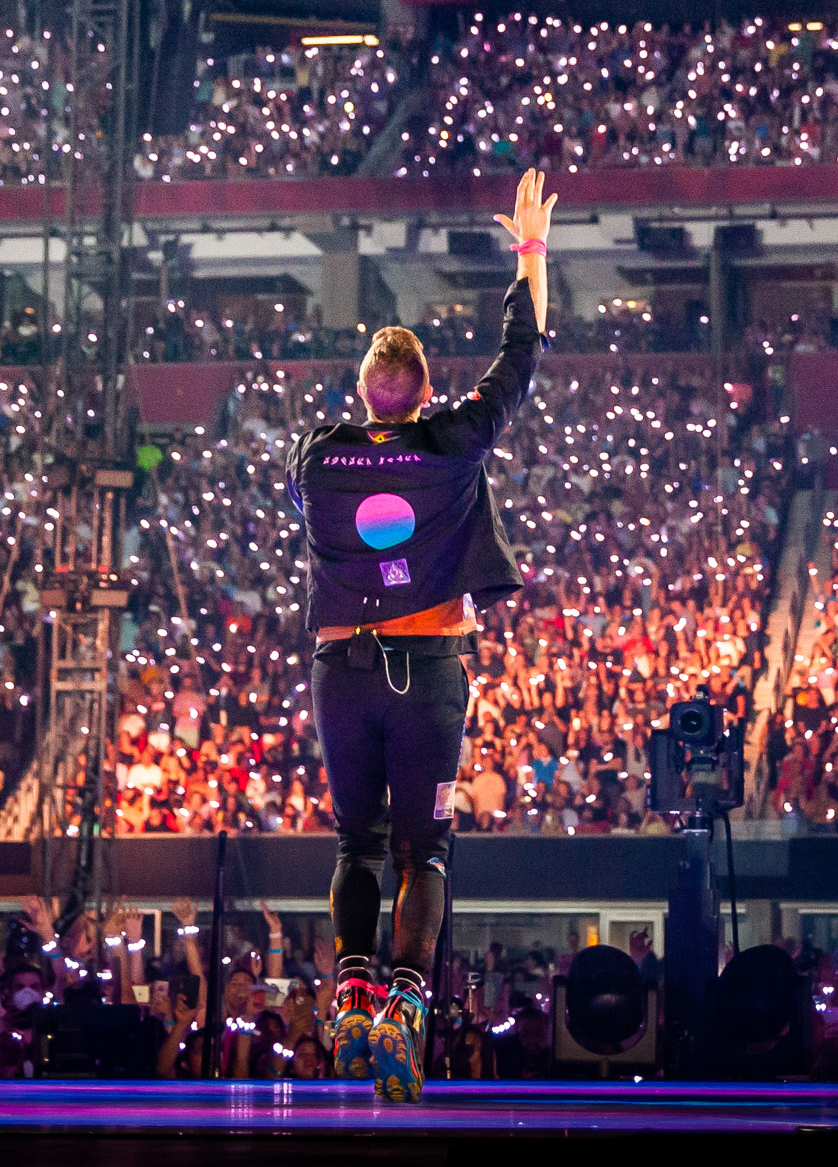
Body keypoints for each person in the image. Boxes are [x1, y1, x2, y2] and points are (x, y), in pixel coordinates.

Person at [290, 166, 554, 1104]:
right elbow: (520, 359)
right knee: (422, 854)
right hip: (429, 671)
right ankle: (403, 1008)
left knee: (352, 845)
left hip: (340, 672)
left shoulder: (318, 456)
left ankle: (353, 997)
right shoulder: (452, 443)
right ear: (428, 392)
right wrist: (530, 254)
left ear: (365, 391)